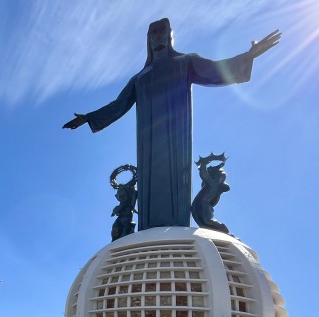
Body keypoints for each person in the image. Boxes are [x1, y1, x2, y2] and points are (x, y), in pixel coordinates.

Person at [63, 18, 280, 230]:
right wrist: (88, 118)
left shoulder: (185, 62)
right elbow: (119, 105)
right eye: (153, 33)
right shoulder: (140, 78)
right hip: (148, 142)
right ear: (148, 40)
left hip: (176, 135)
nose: (157, 36)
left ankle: (175, 230)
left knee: (176, 179)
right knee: (151, 184)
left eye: (162, 31)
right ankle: (148, 234)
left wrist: (247, 56)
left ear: (170, 36)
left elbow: (215, 70)